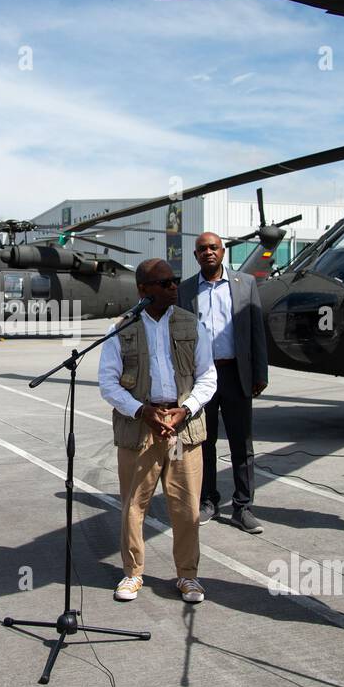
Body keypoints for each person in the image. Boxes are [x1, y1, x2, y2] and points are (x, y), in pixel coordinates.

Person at [99, 258, 217, 604]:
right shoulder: (122, 328)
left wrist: (187, 409)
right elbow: (107, 382)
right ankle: (132, 573)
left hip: (181, 428)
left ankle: (188, 577)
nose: (173, 287)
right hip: (141, 428)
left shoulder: (191, 324)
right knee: (134, 505)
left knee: (185, 506)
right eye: (164, 283)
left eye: (174, 281)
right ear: (143, 290)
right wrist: (141, 411)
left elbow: (208, 375)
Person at [177, 231, 268, 533]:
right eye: (202, 249)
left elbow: (256, 331)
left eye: (213, 248)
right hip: (201, 378)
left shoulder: (246, 284)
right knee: (204, 442)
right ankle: (208, 500)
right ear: (196, 256)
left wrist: (259, 373)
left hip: (235, 374)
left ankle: (243, 507)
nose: (208, 253)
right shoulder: (186, 289)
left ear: (223, 251)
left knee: (242, 444)